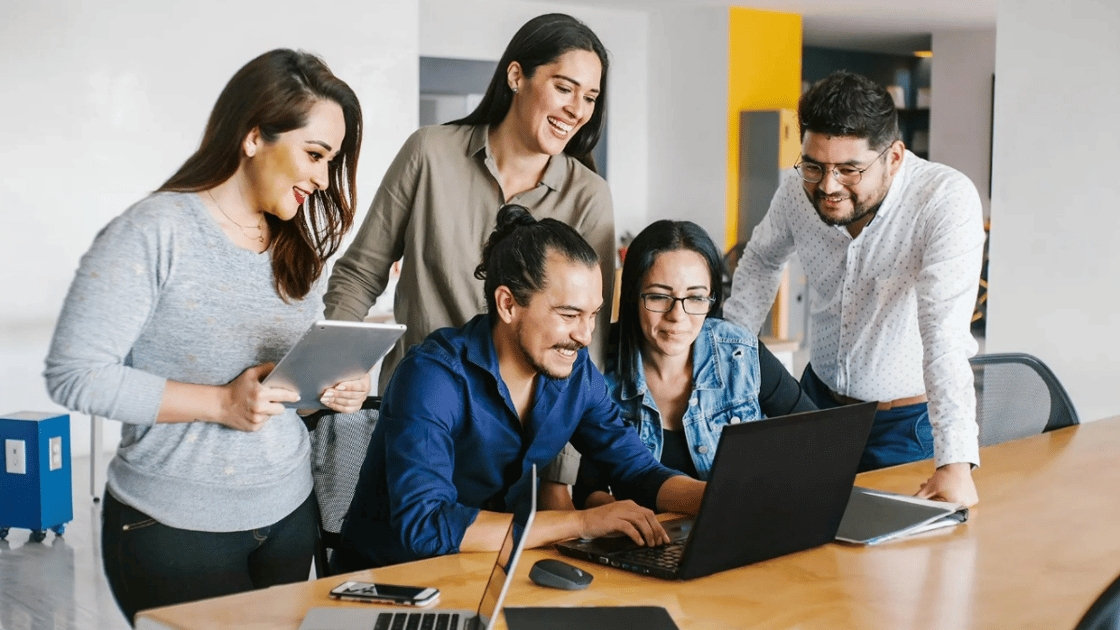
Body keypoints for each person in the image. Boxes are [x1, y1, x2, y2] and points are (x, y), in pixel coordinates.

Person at [43, 49, 369, 623]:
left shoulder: (295, 247)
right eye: (314, 155)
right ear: (252, 138)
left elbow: (285, 389)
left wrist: (335, 386)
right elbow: (76, 376)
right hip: (172, 529)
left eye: (330, 160)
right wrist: (221, 403)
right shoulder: (153, 232)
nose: (322, 179)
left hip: (289, 514)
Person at [321, 13, 615, 506]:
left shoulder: (589, 196)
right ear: (516, 75)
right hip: (420, 417)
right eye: (565, 88)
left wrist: (561, 476)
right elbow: (360, 271)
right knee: (411, 559)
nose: (578, 109)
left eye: (590, 97)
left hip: (522, 441)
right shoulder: (429, 153)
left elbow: (586, 341)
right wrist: (338, 361)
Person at [331, 206, 706, 572]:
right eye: (569, 314)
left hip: (484, 573)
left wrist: (722, 498)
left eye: (593, 315)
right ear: (508, 304)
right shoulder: (431, 377)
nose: (585, 335)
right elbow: (426, 526)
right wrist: (582, 523)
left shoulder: (575, 375)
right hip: (383, 582)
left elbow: (638, 471)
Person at [723, 70, 985, 507]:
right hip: (816, 405)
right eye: (814, 165)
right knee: (794, 541)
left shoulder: (943, 200)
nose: (827, 186)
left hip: (906, 424)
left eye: (848, 170)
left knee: (888, 568)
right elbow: (761, 260)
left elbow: (944, 333)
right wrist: (727, 359)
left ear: (894, 158)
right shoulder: (796, 190)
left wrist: (955, 462)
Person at [570, 220, 816, 508]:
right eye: (660, 296)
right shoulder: (596, 367)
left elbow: (817, 440)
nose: (678, 315)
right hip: (644, 541)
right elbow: (588, 489)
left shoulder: (739, 353)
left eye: (696, 297)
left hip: (740, 528)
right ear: (633, 295)